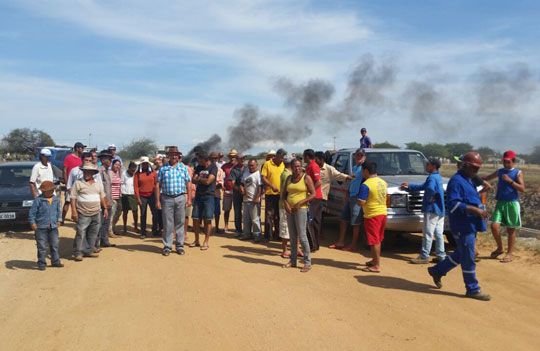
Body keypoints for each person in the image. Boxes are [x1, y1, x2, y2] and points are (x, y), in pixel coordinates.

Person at [427, 152, 491, 301]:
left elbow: (472, 195)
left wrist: (483, 188)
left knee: (462, 252)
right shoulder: (456, 181)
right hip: (463, 225)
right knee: (468, 256)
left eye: (478, 168)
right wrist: (476, 210)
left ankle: (437, 270)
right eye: (474, 168)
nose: (476, 171)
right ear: (465, 165)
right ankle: (472, 289)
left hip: (471, 223)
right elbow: (453, 204)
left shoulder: (469, 179)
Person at [483, 150, 525, 263]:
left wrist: (510, 181)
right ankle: (500, 247)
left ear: (513, 161)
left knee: (510, 229)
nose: (506, 164)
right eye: (504, 162)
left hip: (512, 203)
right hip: (500, 202)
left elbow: (522, 188)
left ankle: (509, 253)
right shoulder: (500, 171)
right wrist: (476, 178)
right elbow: (488, 177)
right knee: (494, 226)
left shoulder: (517, 172)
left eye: (508, 162)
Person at [401, 158, 446, 264]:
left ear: (433, 166)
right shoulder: (437, 177)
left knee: (427, 233)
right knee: (439, 233)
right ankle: (441, 255)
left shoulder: (431, 178)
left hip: (431, 209)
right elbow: (423, 186)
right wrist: (409, 186)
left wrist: (430, 198)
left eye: (428, 165)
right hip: (440, 210)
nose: (426, 166)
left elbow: (429, 188)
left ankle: (424, 256)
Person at [155, 147, 192, 256]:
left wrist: (189, 198)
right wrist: (157, 200)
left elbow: (188, 183)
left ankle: (180, 246)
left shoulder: (183, 168)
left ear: (178, 156)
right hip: (166, 198)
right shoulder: (163, 169)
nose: (174, 156)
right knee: (167, 223)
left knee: (180, 222)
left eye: (176, 154)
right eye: (172, 154)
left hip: (180, 197)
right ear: (169, 155)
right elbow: (158, 185)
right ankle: (167, 246)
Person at [282, 159, 317, 272]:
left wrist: (301, 202)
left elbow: (313, 194)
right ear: (291, 167)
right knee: (292, 236)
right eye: (294, 166)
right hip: (289, 210)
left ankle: (307, 262)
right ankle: (293, 261)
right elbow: (284, 194)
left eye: (299, 166)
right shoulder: (288, 178)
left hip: (300, 209)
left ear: (302, 167)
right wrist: (286, 204)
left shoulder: (306, 178)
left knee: (302, 236)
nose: (297, 169)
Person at [70, 163, 109, 261]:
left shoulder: (97, 184)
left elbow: (102, 197)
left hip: (96, 212)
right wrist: (74, 212)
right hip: (83, 212)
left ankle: (89, 250)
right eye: (85, 171)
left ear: (93, 173)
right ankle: (78, 252)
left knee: (93, 233)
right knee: (80, 233)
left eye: (89, 172)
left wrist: (105, 209)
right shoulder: (78, 183)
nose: (86, 173)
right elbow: (73, 198)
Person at [329, 148, 366, 251]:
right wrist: (347, 192)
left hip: (357, 197)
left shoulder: (364, 168)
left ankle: (353, 244)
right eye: (357, 155)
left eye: (361, 155)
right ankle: (340, 242)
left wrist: (361, 196)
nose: (358, 157)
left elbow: (365, 183)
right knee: (343, 219)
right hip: (351, 196)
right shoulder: (354, 167)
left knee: (355, 222)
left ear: (364, 157)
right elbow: (352, 181)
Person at [356, 161, 388, 273]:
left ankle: (377, 265)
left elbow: (360, 202)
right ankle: (375, 260)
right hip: (382, 213)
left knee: (374, 241)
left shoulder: (366, 185)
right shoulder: (383, 182)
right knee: (378, 239)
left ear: (366, 171)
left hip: (372, 215)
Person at [28, 181, 63, 270]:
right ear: (44, 191)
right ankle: (41, 263)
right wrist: (33, 223)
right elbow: (32, 213)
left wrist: (59, 220)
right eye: (50, 190)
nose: (52, 191)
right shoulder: (38, 200)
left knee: (54, 245)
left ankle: (55, 261)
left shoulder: (55, 199)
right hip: (41, 227)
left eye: (52, 190)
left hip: (53, 226)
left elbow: (58, 211)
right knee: (42, 246)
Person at [190, 151, 217, 250]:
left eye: (199, 160)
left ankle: (206, 241)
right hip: (198, 195)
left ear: (203, 159)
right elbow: (193, 179)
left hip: (208, 196)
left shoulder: (213, 168)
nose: (197, 162)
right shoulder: (199, 167)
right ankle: (196, 240)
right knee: (195, 218)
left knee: (207, 219)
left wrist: (199, 180)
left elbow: (209, 181)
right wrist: (202, 180)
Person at [261, 148, 286, 242]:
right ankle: (267, 236)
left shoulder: (283, 165)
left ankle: (277, 235)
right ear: (277, 156)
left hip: (281, 194)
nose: (282, 160)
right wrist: (271, 186)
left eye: (283, 158)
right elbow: (263, 177)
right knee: (269, 215)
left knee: (279, 216)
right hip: (270, 193)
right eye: (281, 158)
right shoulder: (267, 164)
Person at [303, 149, 323, 252]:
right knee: (315, 221)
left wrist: (311, 193)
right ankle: (315, 245)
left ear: (307, 156)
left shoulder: (313, 166)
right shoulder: (309, 166)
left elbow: (318, 181)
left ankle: (312, 245)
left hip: (315, 198)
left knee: (309, 222)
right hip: (316, 197)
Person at [135, 156, 158, 239]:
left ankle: (154, 229)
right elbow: (136, 186)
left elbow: (156, 185)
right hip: (142, 196)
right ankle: (143, 232)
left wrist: (157, 197)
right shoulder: (137, 174)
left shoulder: (154, 173)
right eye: (143, 164)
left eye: (146, 164)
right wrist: (138, 198)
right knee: (143, 214)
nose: (145, 165)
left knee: (155, 213)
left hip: (152, 195)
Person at [62, 141, 85, 222]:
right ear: (77, 148)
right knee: (68, 201)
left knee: (78, 202)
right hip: (71, 183)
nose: (83, 150)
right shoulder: (68, 157)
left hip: (79, 184)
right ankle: (62, 219)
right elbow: (64, 170)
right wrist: (66, 182)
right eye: (82, 148)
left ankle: (76, 217)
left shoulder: (81, 159)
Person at [239, 159, 262, 241]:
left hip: (254, 200)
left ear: (256, 165)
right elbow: (241, 184)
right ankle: (247, 234)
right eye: (249, 165)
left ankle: (257, 235)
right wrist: (242, 189)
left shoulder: (258, 174)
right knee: (246, 219)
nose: (251, 167)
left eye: (252, 165)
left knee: (255, 219)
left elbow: (260, 187)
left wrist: (256, 198)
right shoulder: (245, 173)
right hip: (246, 200)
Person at [97, 150, 116, 248]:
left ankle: (104, 241)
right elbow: (99, 188)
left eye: (110, 159)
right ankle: (96, 243)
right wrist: (103, 202)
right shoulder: (99, 171)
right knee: (99, 223)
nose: (110, 161)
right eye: (108, 159)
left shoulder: (108, 171)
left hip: (108, 201)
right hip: (102, 202)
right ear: (103, 160)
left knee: (106, 222)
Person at [228, 152, 246, 237]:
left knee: (247, 212)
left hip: (247, 193)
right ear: (237, 159)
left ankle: (247, 230)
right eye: (241, 158)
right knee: (238, 211)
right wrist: (239, 189)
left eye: (243, 158)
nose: (243, 160)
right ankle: (238, 230)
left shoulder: (247, 168)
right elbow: (232, 183)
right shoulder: (234, 170)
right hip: (237, 193)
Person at [221, 150, 237, 232]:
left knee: (237, 209)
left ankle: (237, 227)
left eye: (234, 156)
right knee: (227, 209)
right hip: (227, 190)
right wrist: (222, 184)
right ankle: (226, 225)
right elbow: (221, 176)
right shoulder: (224, 166)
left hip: (237, 191)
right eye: (231, 156)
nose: (232, 158)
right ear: (229, 157)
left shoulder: (239, 166)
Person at [210, 152, 225, 233]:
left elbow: (221, 183)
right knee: (207, 211)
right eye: (212, 158)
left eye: (215, 158)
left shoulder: (220, 170)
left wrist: (211, 186)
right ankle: (206, 227)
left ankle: (216, 227)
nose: (213, 160)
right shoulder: (206, 169)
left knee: (217, 212)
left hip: (216, 194)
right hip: (208, 194)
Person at [121, 162, 139, 234]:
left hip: (133, 194)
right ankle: (124, 227)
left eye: (134, 170)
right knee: (125, 211)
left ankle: (135, 227)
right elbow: (121, 183)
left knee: (135, 211)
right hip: (125, 194)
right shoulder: (124, 174)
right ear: (128, 168)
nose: (133, 172)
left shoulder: (136, 174)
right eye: (131, 170)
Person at [109, 159, 123, 236]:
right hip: (112, 197)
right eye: (116, 164)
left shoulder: (116, 174)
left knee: (118, 213)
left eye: (119, 165)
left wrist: (120, 170)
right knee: (112, 214)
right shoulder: (110, 173)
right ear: (112, 164)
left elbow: (121, 179)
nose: (117, 166)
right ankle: (110, 231)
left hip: (118, 196)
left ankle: (113, 228)